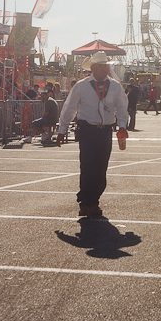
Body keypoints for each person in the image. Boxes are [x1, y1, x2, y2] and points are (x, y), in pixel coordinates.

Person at [56, 51, 129, 218]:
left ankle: (94, 200)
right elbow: (69, 108)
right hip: (87, 130)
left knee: (101, 168)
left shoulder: (116, 87)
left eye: (106, 66)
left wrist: (122, 126)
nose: (104, 69)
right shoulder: (81, 86)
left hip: (105, 131)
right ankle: (86, 202)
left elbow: (122, 108)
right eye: (101, 66)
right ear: (93, 68)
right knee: (87, 166)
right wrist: (62, 130)